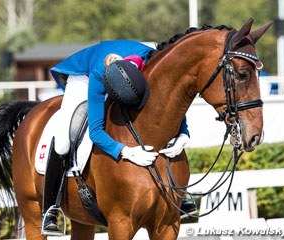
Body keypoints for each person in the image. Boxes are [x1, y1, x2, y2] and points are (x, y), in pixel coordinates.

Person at [42, 40, 196, 236]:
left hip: (127, 73)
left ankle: (178, 197)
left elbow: (168, 105)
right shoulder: (98, 75)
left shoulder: (151, 61)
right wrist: (126, 151)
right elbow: (95, 131)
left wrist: (184, 132)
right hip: (85, 76)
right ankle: (50, 209)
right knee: (63, 141)